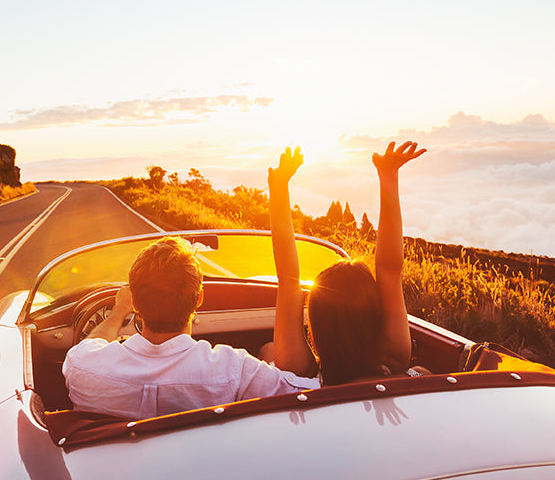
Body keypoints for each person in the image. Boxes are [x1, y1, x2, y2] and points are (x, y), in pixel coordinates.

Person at [62, 236, 318, 419]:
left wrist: (118, 312)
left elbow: (90, 345)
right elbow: (309, 392)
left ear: (136, 303)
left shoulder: (81, 366)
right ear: (199, 299)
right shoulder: (233, 370)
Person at [268, 141, 426, 385]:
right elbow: (389, 269)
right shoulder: (395, 357)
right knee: (421, 371)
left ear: (315, 323)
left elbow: (288, 280)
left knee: (268, 351)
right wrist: (388, 176)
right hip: (399, 376)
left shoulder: (301, 371)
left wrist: (278, 188)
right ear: (376, 314)